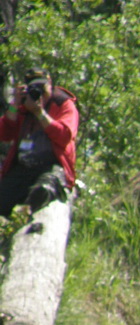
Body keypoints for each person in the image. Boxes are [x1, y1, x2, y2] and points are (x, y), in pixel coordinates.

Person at [0, 68, 78, 217]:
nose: (40, 93)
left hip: (52, 167)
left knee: (43, 191)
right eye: (35, 88)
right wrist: (14, 105)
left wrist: (39, 113)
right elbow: (4, 133)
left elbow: (64, 137)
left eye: (43, 88)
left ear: (50, 85)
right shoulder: (24, 105)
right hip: (23, 167)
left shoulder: (63, 104)